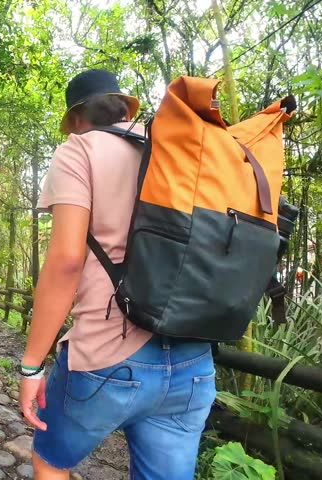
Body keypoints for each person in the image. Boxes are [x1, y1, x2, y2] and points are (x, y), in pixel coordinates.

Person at [17, 69, 217, 480]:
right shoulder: (176, 149)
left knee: (51, 462)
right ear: (126, 107)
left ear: (76, 119)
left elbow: (67, 260)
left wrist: (32, 365)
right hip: (192, 358)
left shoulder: (78, 150)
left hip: (108, 353)